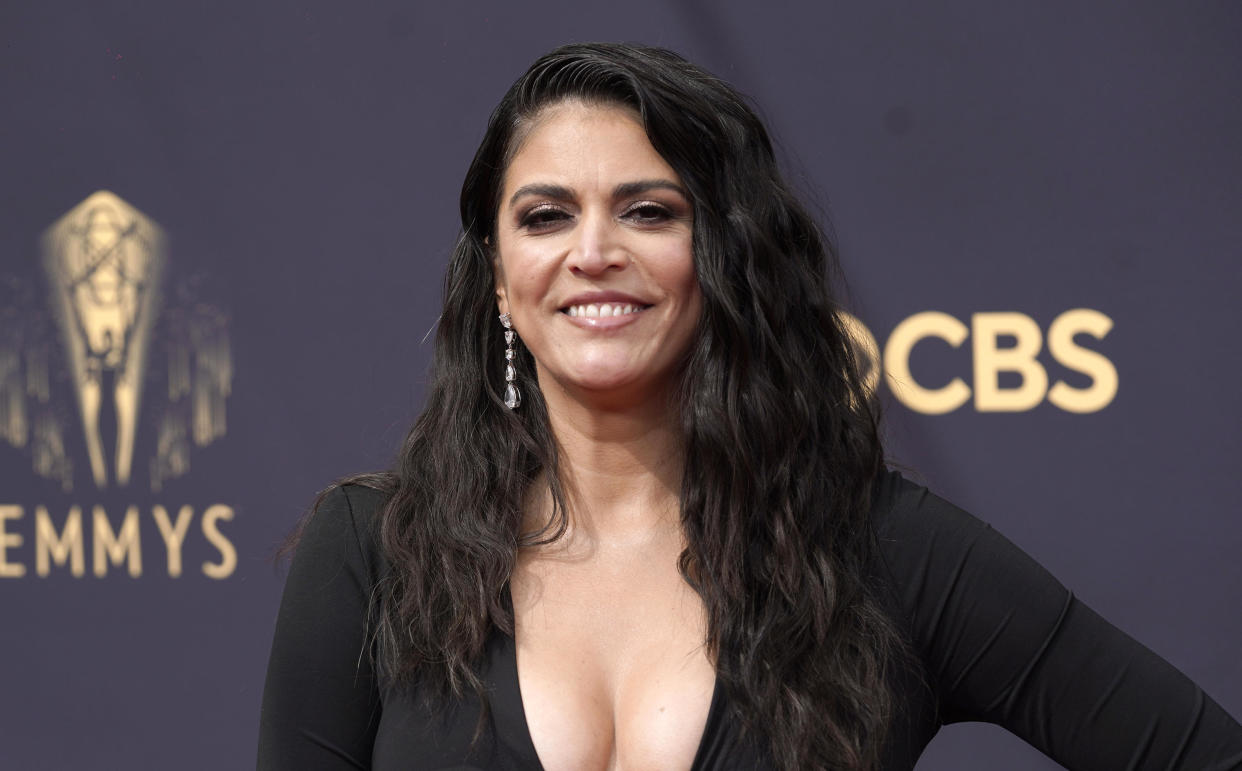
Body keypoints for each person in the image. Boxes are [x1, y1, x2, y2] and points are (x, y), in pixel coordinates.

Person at [257, 43, 1242, 770]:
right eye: (546, 215)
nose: (593, 249)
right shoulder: (375, 553)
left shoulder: (880, 550)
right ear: (502, 282)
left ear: (721, 258)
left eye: (649, 210)